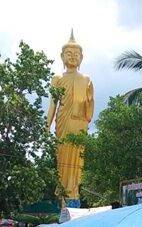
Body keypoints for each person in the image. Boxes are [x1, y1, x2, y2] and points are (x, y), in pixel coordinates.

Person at [46, 32, 94, 200]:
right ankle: (64, 196)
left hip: (80, 123)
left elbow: (90, 110)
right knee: (63, 158)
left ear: (81, 58)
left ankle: (74, 193)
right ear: (62, 57)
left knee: (77, 161)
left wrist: (89, 100)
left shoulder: (86, 78)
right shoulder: (57, 78)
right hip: (64, 122)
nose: (73, 57)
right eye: (69, 54)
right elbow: (53, 103)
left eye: (76, 55)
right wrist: (46, 127)